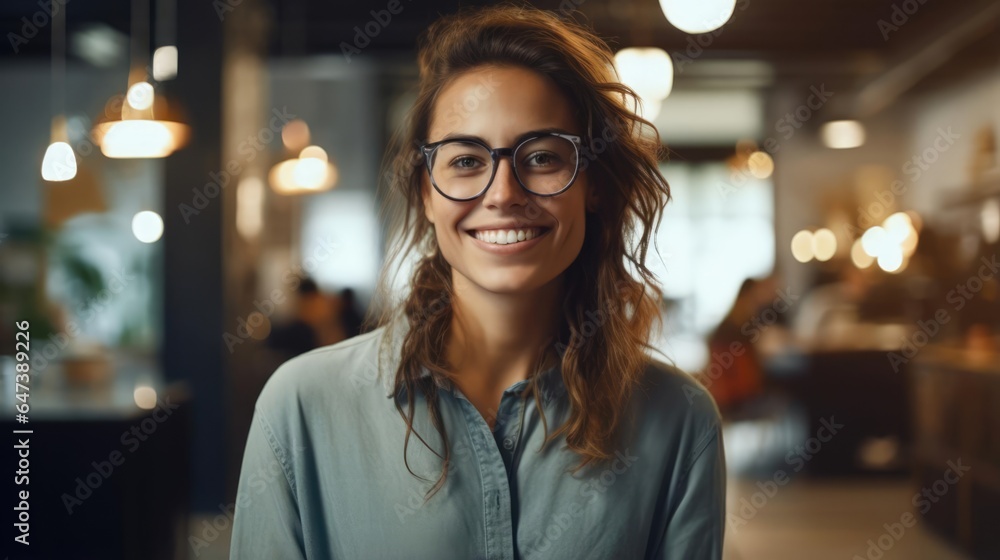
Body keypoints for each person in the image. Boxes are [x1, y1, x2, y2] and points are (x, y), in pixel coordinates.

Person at [231, 5, 725, 559]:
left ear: (595, 185)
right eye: (465, 160)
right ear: (425, 191)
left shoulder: (677, 418)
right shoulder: (303, 404)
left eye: (541, 157)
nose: (503, 193)